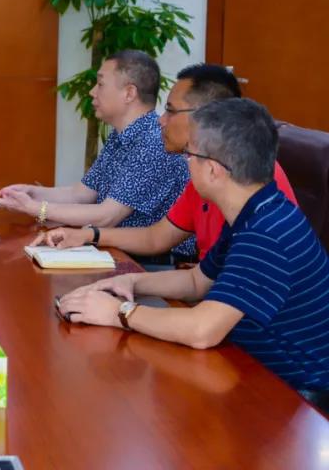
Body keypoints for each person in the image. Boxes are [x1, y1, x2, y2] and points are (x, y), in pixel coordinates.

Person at [58, 99, 329, 409]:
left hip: (297, 397)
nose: (186, 163)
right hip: (254, 369)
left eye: (190, 155)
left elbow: (202, 330)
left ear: (213, 170)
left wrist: (118, 313)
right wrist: (131, 283)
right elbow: (197, 282)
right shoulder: (255, 212)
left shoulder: (266, 233)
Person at [33, 64, 297, 262]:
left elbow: (213, 301)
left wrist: (125, 309)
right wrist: (89, 235)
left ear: (206, 117)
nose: (161, 120)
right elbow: (156, 237)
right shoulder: (201, 168)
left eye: (170, 110)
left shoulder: (247, 178)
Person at [0, 50, 189, 248]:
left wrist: (36, 209)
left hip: (154, 263)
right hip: (115, 249)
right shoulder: (122, 136)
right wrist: (31, 193)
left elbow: (107, 216)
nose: (92, 92)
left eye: (100, 84)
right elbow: (80, 193)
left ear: (129, 93)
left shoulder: (153, 141)